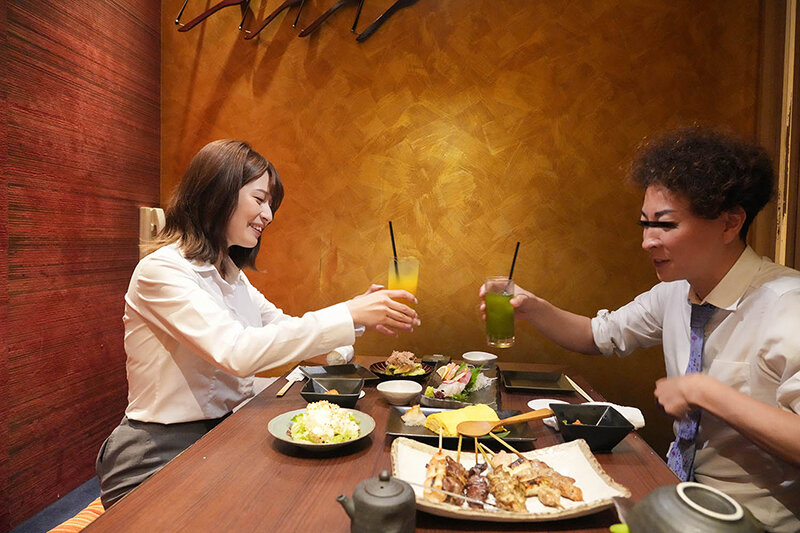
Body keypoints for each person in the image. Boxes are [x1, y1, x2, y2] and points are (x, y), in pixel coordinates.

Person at [480, 127, 800, 532]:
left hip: (753, 522)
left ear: (729, 222)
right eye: (645, 224)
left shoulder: (787, 304)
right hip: (671, 501)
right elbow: (598, 336)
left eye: (665, 225)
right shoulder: (676, 292)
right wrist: (533, 308)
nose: (648, 241)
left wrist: (706, 392)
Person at [97, 139, 419, 507]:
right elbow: (238, 352)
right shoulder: (162, 271)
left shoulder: (231, 275)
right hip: (156, 453)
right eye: (260, 199)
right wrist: (348, 313)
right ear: (218, 192)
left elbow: (282, 328)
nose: (268, 215)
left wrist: (357, 321)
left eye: (270, 204)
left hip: (222, 435)